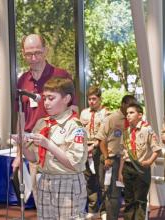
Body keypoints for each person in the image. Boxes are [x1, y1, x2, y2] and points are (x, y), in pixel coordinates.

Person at [12, 33, 78, 206]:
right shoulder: (22, 81)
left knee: (64, 201)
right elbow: (21, 117)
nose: (33, 58)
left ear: (45, 50)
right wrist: (19, 153)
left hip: (58, 144)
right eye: (28, 54)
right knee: (41, 199)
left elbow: (74, 110)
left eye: (37, 53)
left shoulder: (61, 75)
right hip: (34, 145)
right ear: (23, 54)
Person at [21, 76, 87, 219]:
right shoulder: (42, 124)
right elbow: (34, 158)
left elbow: (74, 163)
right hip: (45, 180)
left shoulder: (75, 126)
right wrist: (22, 145)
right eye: (44, 98)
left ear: (66, 99)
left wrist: (48, 145)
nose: (46, 103)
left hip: (68, 181)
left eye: (51, 98)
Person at [95, 95, 137, 220]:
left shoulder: (133, 120)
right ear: (123, 104)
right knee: (113, 194)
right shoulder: (112, 119)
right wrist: (106, 157)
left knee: (130, 193)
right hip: (113, 161)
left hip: (129, 161)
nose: (131, 109)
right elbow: (101, 139)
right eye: (129, 105)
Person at [118, 103, 161, 220]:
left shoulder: (147, 129)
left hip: (141, 169)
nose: (128, 115)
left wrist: (149, 162)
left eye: (132, 113)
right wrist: (120, 172)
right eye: (127, 113)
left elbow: (157, 150)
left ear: (140, 115)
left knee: (140, 200)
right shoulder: (126, 132)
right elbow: (123, 153)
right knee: (128, 200)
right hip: (127, 168)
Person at [80, 86, 110, 218]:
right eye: (89, 99)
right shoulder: (84, 113)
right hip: (86, 148)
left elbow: (105, 134)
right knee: (89, 181)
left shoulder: (106, 113)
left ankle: (104, 210)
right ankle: (92, 209)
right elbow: (80, 131)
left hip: (100, 149)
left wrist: (95, 146)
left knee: (103, 181)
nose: (91, 102)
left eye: (94, 99)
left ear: (100, 99)